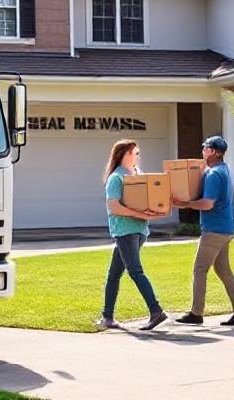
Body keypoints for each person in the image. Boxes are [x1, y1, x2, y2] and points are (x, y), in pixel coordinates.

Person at [171, 135, 234, 326]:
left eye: (206, 147)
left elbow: (207, 204)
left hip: (215, 229)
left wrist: (186, 204)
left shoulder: (214, 174)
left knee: (200, 269)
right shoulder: (224, 170)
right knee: (223, 269)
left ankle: (196, 313)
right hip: (225, 227)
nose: (203, 150)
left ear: (214, 152)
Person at [95, 139, 169, 331]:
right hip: (131, 231)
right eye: (135, 153)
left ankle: (156, 310)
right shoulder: (117, 178)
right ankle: (107, 317)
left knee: (135, 271)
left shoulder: (137, 175)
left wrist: (154, 211)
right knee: (114, 275)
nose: (138, 156)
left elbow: (121, 207)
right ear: (125, 154)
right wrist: (142, 214)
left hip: (129, 232)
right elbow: (115, 206)